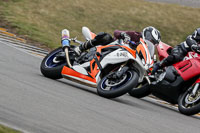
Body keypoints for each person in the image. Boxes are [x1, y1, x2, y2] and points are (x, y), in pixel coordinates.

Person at [61, 26, 161, 56]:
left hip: (121, 56)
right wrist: (124, 35)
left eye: (153, 41)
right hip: (110, 46)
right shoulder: (135, 35)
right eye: (150, 38)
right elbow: (116, 32)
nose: (150, 41)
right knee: (106, 36)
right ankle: (80, 48)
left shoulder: (145, 52)